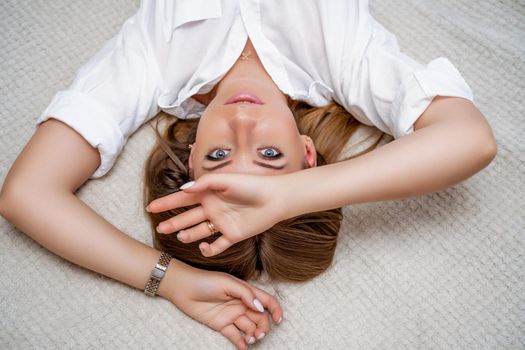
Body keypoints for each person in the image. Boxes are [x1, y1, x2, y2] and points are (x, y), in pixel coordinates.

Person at [0, 0, 498, 349]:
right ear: (308, 154)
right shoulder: (344, 62)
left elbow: (27, 193)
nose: (241, 122)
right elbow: (470, 139)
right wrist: (290, 197)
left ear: (190, 157)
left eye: (217, 155)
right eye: (269, 155)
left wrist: (170, 281)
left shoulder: (148, 66)